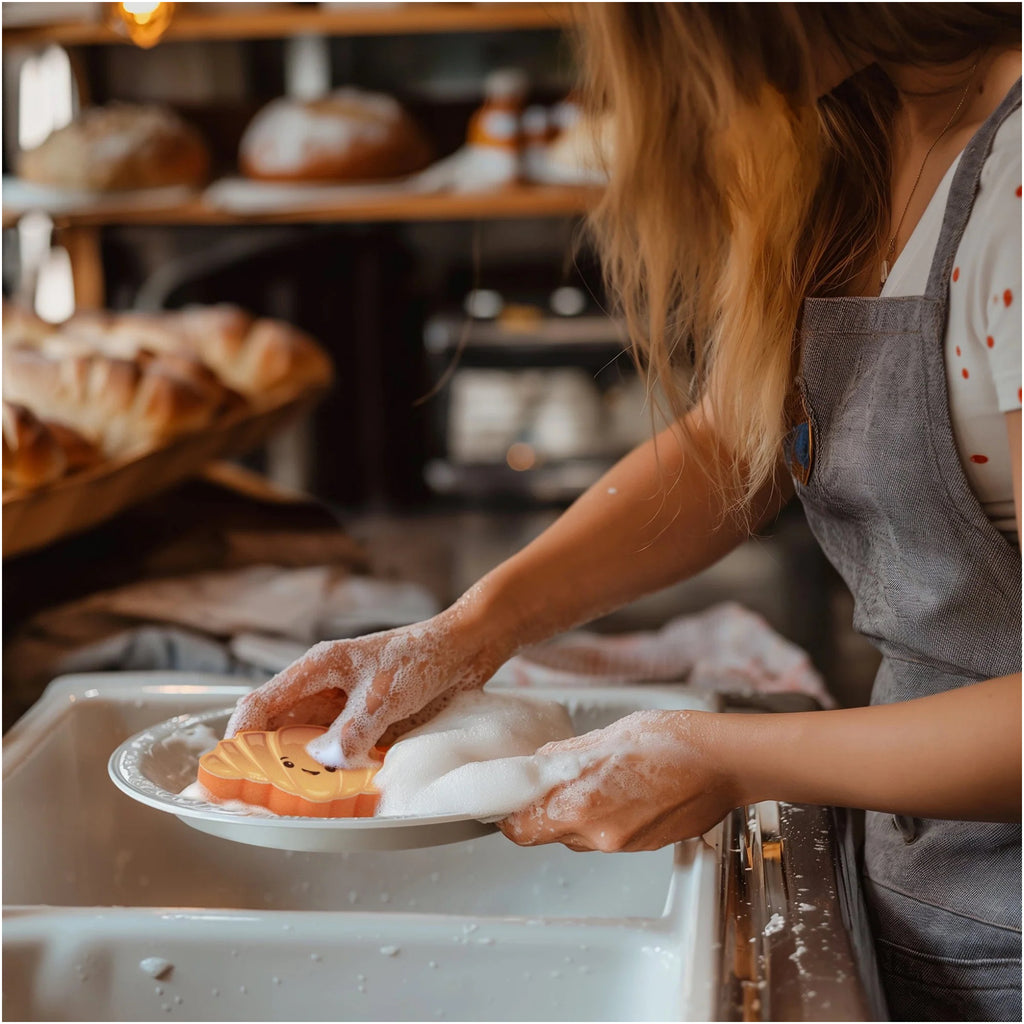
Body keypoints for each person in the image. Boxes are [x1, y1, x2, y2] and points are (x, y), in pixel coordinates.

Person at [227, 5, 1022, 1019]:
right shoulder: (857, 131)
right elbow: (744, 441)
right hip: (924, 878)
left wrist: (728, 755)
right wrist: (471, 630)